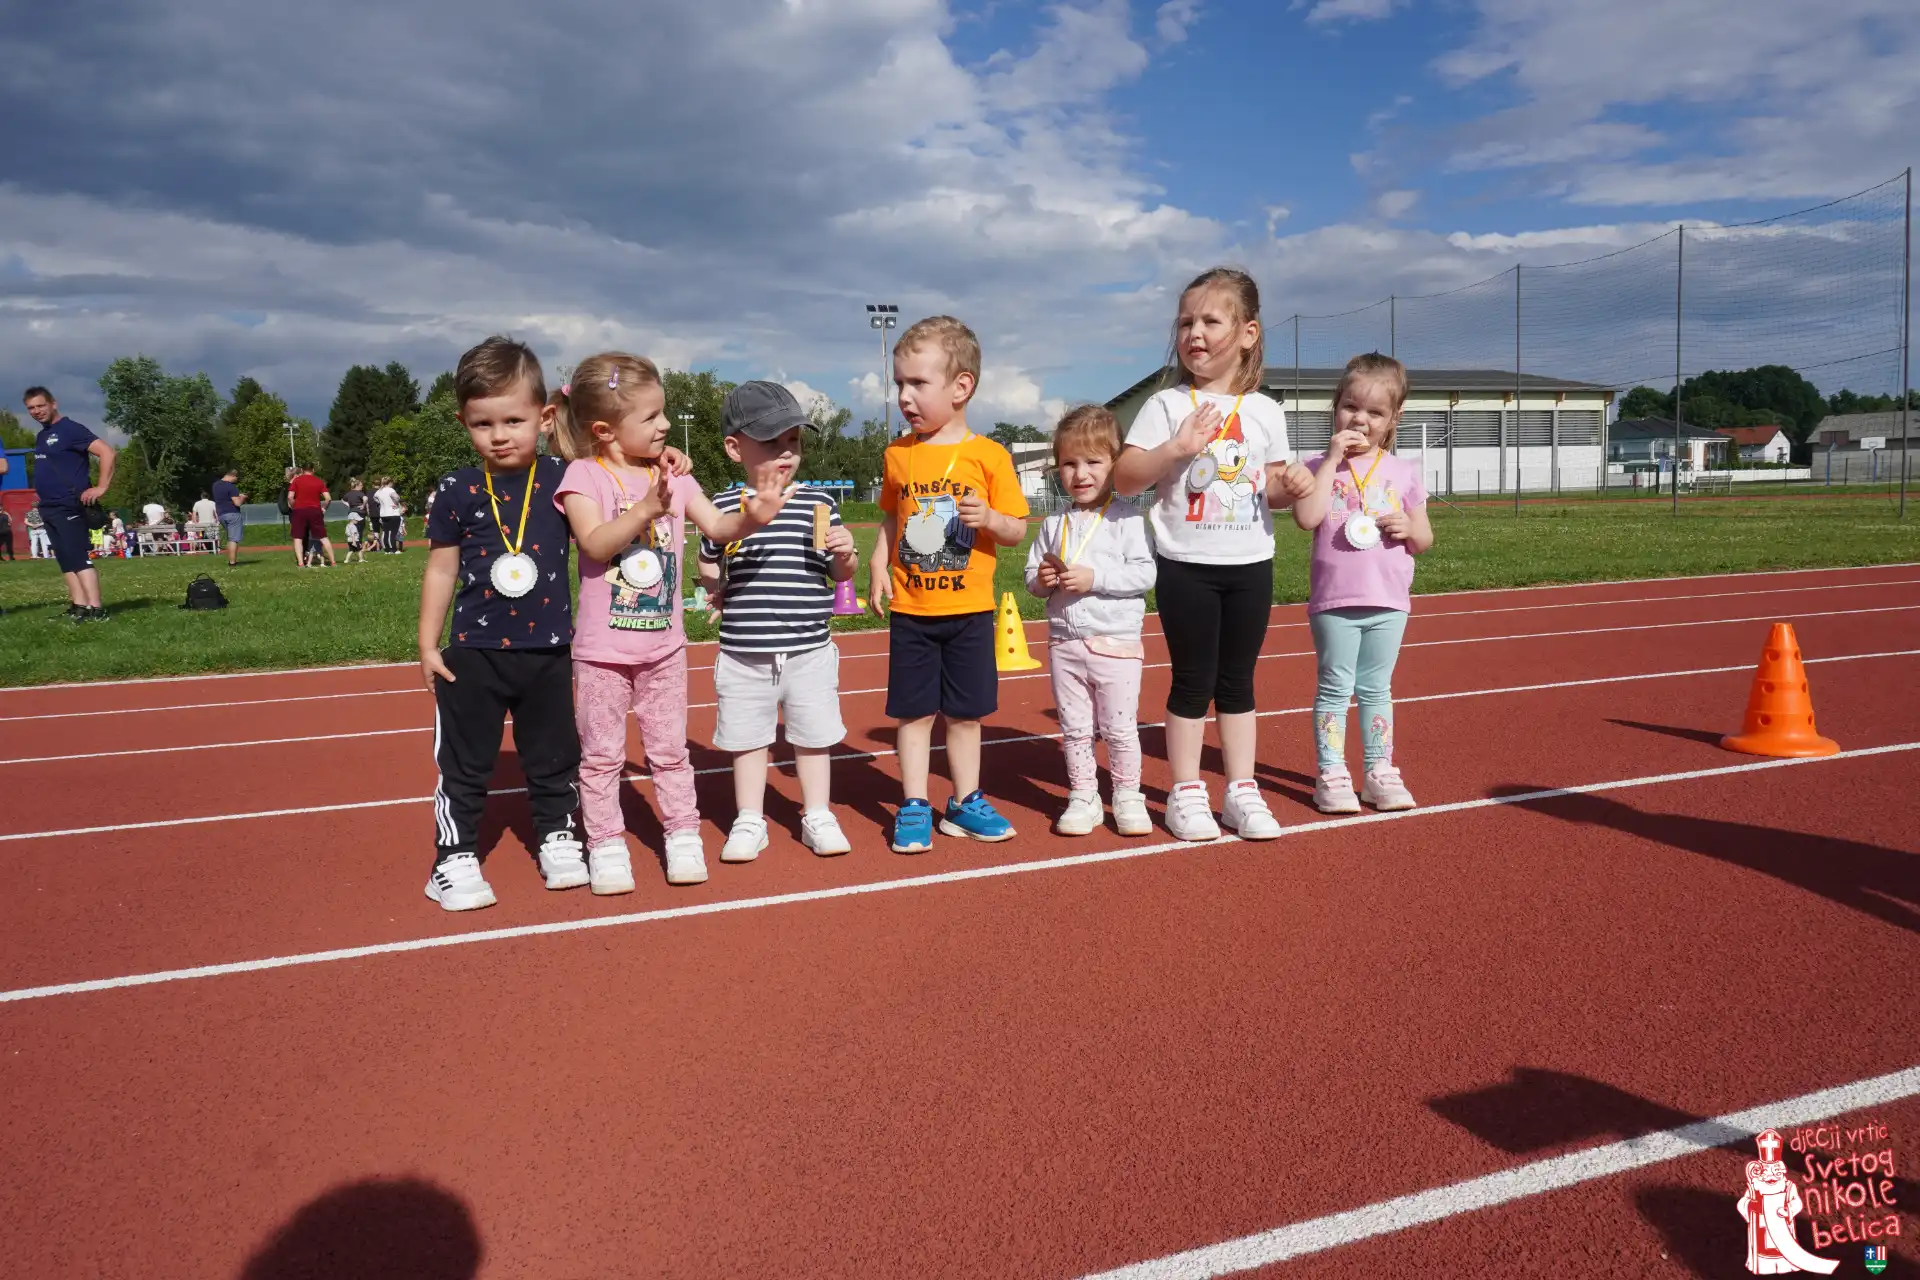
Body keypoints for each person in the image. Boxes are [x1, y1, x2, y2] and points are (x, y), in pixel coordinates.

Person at [553, 352, 786, 890]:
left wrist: (751, 518)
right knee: (601, 756)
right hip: (601, 653)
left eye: (664, 413)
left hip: (664, 648)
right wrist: (641, 511)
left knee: (670, 751)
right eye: (652, 417)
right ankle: (606, 844)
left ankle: (682, 834)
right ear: (605, 431)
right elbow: (592, 543)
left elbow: (718, 527)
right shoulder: (583, 475)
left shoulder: (675, 478)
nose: (664, 425)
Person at [1112, 267, 1315, 841]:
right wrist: (1177, 448)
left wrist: (1292, 485)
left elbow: (1269, 486)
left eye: (1210, 321)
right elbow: (1126, 477)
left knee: (1239, 682)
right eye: (1184, 322)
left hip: (1251, 563)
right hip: (1186, 565)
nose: (1194, 333)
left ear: (1248, 333)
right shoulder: (1166, 406)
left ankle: (1242, 790)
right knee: (1191, 681)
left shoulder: (1265, 411)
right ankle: (1185, 792)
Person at [416, 336, 585, 912]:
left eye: (514, 419)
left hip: (549, 650)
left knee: (554, 753)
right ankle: (453, 855)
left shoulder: (567, 481)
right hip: (475, 651)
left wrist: (669, 460)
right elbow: (441, 569)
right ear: (464, 422)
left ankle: (558, 834)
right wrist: (427, 642)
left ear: (545, 416)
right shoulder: (456, 488)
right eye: (481, 423)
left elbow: (625, 474)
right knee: (465, 761)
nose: (499, 434)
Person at [868, 316, 1029, 853]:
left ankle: (963, 803)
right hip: (913, 611)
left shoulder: (991, 456)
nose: (904, 398)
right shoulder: (898, 455)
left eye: (918, 384)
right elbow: (891, 518)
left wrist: (990, 519)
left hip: (970, 611)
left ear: (961, 387)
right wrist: (876, 564)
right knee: (912, 713)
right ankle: (913, 803)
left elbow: (1016, 529)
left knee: (965, 715)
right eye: (899, 385)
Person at [696, 381, 859, 863]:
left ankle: (817, 813)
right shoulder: (724, 508)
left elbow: (837, 572)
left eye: (793, 441)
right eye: (771, 442)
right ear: (734, 448)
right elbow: (709, 558)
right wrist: (712, 588)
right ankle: (750, 818)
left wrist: (846, 556)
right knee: (746, 739)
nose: (786, 453)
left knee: (813, 736)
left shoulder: (818, 504)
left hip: (809, 648)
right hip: (744, 651)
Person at [1289, 353, 1434, 813]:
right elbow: (1306, 517)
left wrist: (1411, 531)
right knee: (1334, 687)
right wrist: (1331, 459)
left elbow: (1425, 536)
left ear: (1394, 418)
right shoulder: (1316, 465)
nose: (1361, 419)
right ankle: (1331, 773)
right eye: (1352, 407)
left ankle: (1379, 771)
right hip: (1334, 601)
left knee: (1376, 688)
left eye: (1375, 412)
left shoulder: (1404, 471)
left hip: (1389, 600)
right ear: (1336, 407)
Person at [1023, 406, 1156, 837]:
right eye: (1069, 463)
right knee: (1075, 729)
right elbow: (1031, 577)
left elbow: (1144, 573)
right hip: (1065, 644)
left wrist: (1094, 578)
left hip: (1115, 643)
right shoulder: (1053, 523)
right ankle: (1083, 795)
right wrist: (1042, 582)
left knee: (1119, 729)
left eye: (1093, 462)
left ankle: (1127, 795)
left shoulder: (1129, 519)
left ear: (1115, 464)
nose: (1080, 474)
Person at [23, 386, 116, 621]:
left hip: (69, 503)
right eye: (31, 408)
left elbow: (107, 452)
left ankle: (96, 609)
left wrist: (102, 486)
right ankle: (79, 606)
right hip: (49, 505)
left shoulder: (70, 429)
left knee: (77, 555)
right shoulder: (43, 434)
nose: (36, 411)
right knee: (64, 558)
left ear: (53, 403)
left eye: (40, 405)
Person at [287, 461, 335, 567]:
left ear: (302, 470)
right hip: (315, 510)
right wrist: (324, 508)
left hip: (300, 510)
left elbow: (290, 497)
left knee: (298, 537)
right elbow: (328, 498)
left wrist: (294, 505)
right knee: (323, 536)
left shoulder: (296, 481)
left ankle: (300, 563)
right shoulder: (319, 482)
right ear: (313, 470)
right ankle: (333, 561)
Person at [211, 468, 247, 566]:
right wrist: (242, 497)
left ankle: (231, 560)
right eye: (237, 477)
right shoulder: (231, 487)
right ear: (233, 476)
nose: (237, 480)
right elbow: (237, 503)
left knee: (230, 538)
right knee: (233, 539)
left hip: (221, 514)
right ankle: (232, 562)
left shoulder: (215, 485)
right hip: (233, 514)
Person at [373, 476, 404, 553]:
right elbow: (397, 498)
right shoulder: (390, 490)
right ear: (390, 482)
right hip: (393, 513)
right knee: (393, 532)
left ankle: (387, 549)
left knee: (386, 532)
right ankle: (393, 549)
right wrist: (396, 503)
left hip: (383, 514)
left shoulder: (379, 491)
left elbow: (375, 498)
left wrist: (381, 503)